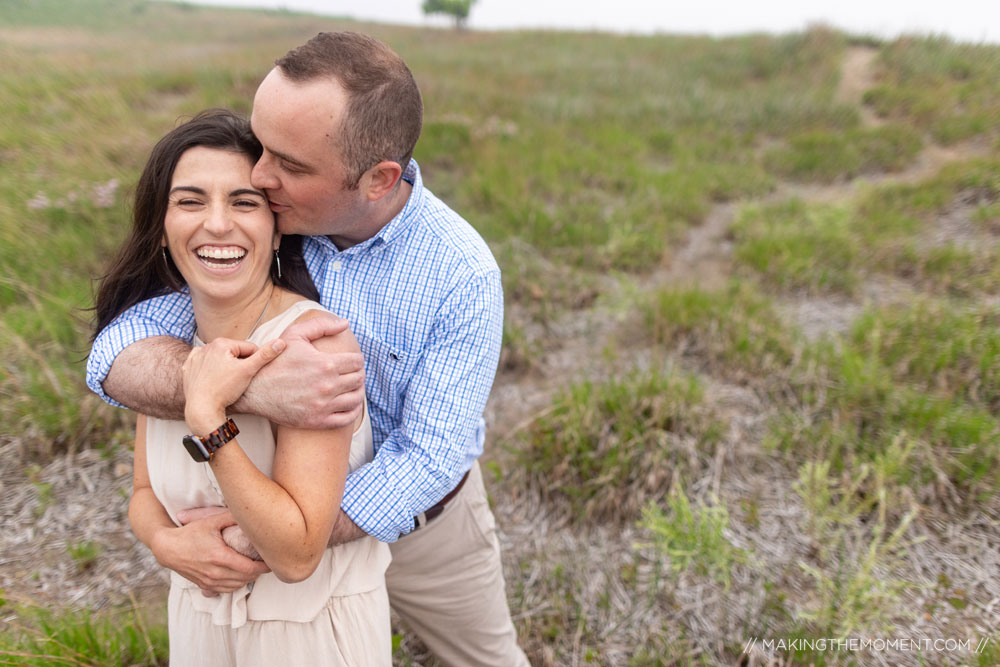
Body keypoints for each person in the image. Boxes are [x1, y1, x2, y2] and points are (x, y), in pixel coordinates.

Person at [88, 32, 529, 665]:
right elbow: (120, 347)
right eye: (262, 145)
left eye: (289, 164)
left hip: (422, 527)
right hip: (266, 503)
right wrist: (252, 390)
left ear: (378, 179)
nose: (260, 176)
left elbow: (432, 453)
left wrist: (285, 532)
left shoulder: (460, 273)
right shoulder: (260, 218)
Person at [92, 109, 392, 665]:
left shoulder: (315, 345)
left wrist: (209, 417)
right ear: (161, 227)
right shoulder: (165, 343)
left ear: (277, 225)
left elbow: (297, 553)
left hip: (306, 635)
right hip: (199, 624)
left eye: (243, 202)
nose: (217, 224)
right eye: (189, 201)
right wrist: (166, 543)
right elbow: (142, 496)